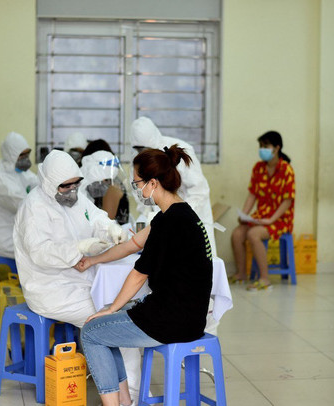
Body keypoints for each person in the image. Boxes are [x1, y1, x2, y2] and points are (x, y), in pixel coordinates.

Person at [79, 145, 213, 406]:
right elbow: (132, 245)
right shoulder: (181, 213)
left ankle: (114, 404)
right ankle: (124, 401)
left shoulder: (168, 222)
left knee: (91, 331)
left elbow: (139, 274)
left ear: (153, 182)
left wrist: (112, 308)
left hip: (171, 320)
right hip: (190, 316)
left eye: (137, 183)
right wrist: (93, 260)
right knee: (106, 321)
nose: (136, 189)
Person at [12, 149, 142, 403]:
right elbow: (41, 253)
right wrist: (79, 249)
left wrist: (110, 228)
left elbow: (95, 217)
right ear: (50, 184)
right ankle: (128, 397)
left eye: (76, 183)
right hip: (50, 289)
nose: (72, 189)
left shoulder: (75, 197)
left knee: (118, 316)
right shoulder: (34, 208)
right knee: (112, 325)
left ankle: (126, 397)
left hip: (80, 281)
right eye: (65, 186)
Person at [130, 117, 216, 254]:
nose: (142, 151)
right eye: (138, 148)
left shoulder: (178, 151)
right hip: (161, 223)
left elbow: (200, 191)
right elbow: (139, 190)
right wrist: (148, 216)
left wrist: (176, 216)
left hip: (191, 220)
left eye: (145, 148)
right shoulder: (139, 159)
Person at [230, 131, 295, 291]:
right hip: (261, 217)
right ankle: (241, 274)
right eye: (261, 146)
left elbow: (287, 201)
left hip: (280, 219)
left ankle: (265, 279)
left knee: (254, 234)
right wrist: (244, 215)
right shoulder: (258, 168)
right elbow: (252, 194)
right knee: (237, 233)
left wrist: (271, 220)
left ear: (276, 148)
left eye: (265, 146)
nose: (262, 149)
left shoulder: (286, 170)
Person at [0, 132, 38, 258]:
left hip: (13, 229)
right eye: (22, 155)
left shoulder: (21, 173)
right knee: (38, 252)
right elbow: (22, 204)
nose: (26, 158)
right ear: (11, 155)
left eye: (27, 153)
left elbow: (39, 184)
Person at [80, 150, 129, 225]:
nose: (108, 185)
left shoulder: (111, 191)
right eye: (106, 180)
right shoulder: (79, 195)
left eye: (110, 181)